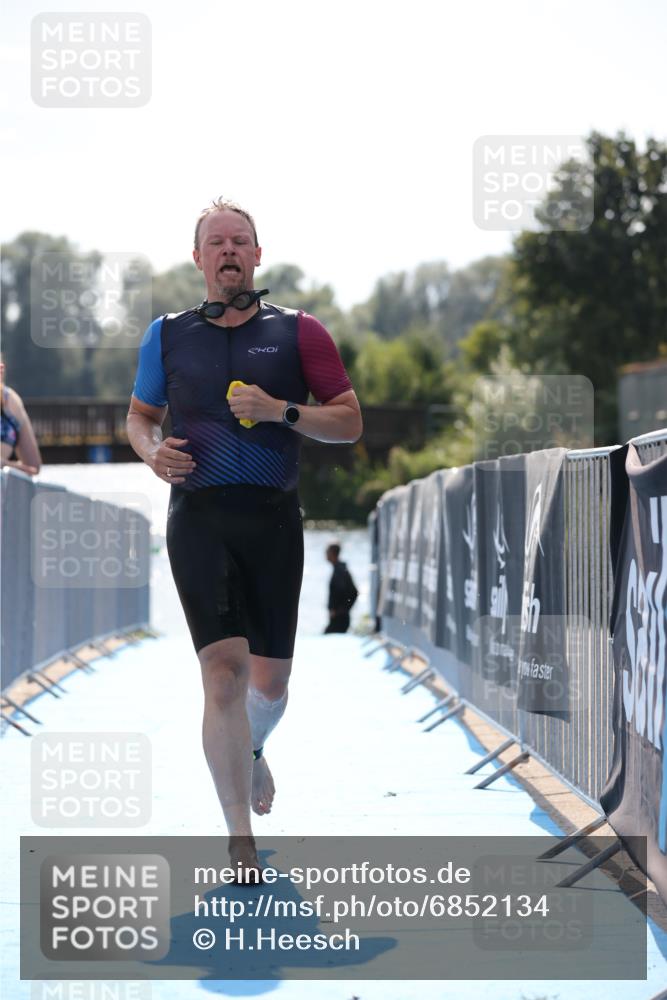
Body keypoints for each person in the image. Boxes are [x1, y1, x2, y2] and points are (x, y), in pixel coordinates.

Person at [127, 198, 362, 877]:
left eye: (241, 240)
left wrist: (279, 411)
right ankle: (238, 837)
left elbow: (347, 422)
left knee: (270, 683)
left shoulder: (300, 333)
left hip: (272, 518)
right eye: (216, 241)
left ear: (258, 256)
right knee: (221, 677)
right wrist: (148, 452)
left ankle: (253, 750)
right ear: (197, 258)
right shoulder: (165, 336)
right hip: (196, 516)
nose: (229, 250)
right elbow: (139, 416)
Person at [0, 357, 42, 476]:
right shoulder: (11, 400)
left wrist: (6, 465)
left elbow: (33, 467)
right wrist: (7, 465)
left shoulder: (12, 401)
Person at [324, 543, 358, 634]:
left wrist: (340, 610)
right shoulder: (339, 569)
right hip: (338, 618)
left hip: (340, 619)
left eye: (327, 552)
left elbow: (353, 593)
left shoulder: (340, 571)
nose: (325, 554)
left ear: (333, 553)